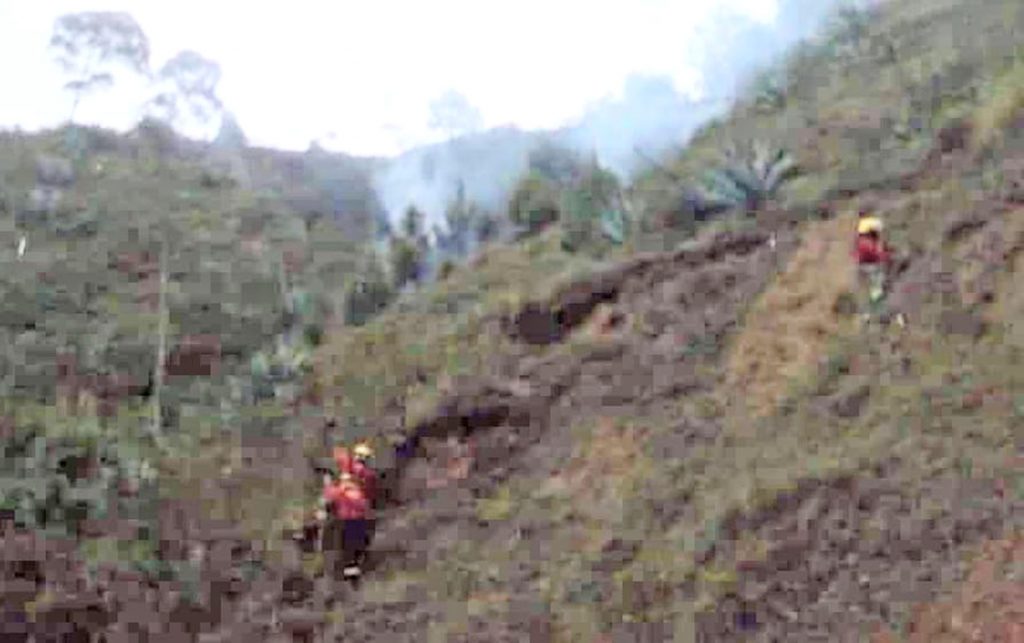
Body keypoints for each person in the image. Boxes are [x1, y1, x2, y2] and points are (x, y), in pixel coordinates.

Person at [318, 471, 373, 581]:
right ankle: (355, 568)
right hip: (360, 522)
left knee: (346, 546)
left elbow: (329, 499)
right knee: (357, 545)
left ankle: (349, 570)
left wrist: (327, 486)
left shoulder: (340, 491)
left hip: (347, 522)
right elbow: (365, 506)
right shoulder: (357, 491)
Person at [853, 208, 893, 318]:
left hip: (864, 267)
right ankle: (872, 313)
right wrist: (887, 256)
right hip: (871, 267)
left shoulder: (861, 240)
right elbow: (879, 254)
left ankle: (869, 312)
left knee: (871, 291)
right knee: (878, 290)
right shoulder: (868, 243)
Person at [332, 441, 378, 507]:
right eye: (356, 455)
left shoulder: (366, 473)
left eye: (360, 456)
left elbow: (367, 492)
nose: (356, 457)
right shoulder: (352, 469)